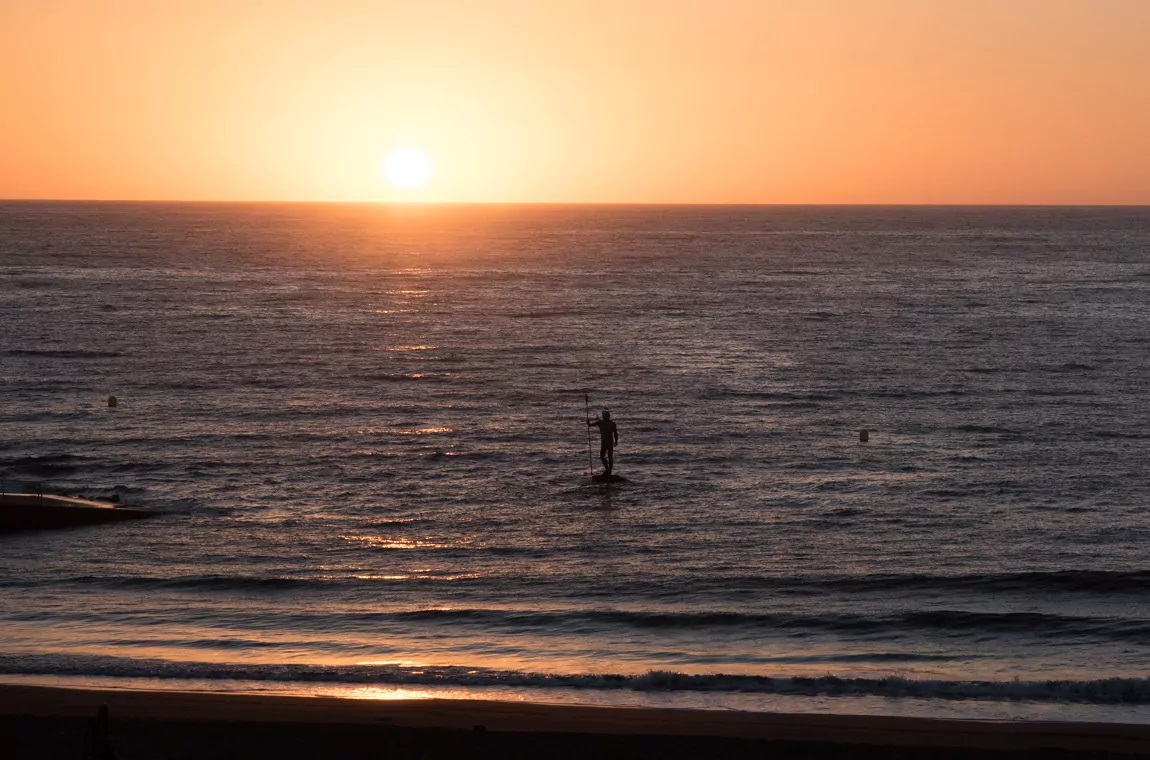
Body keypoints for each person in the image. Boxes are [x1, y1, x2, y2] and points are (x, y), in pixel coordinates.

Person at [587, 410, 619, 476]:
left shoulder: (612, 424)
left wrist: (616, 441)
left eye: (607, 415)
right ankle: (607, 470)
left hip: (609, 442)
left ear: (609, 416)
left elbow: (615, 433)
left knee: (610, 457)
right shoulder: (600, 422)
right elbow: (590, 425)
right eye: (604, 415)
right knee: (602, 457)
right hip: (604, 442)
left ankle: (609, 472)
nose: (606, 417)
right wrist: (588, 422)